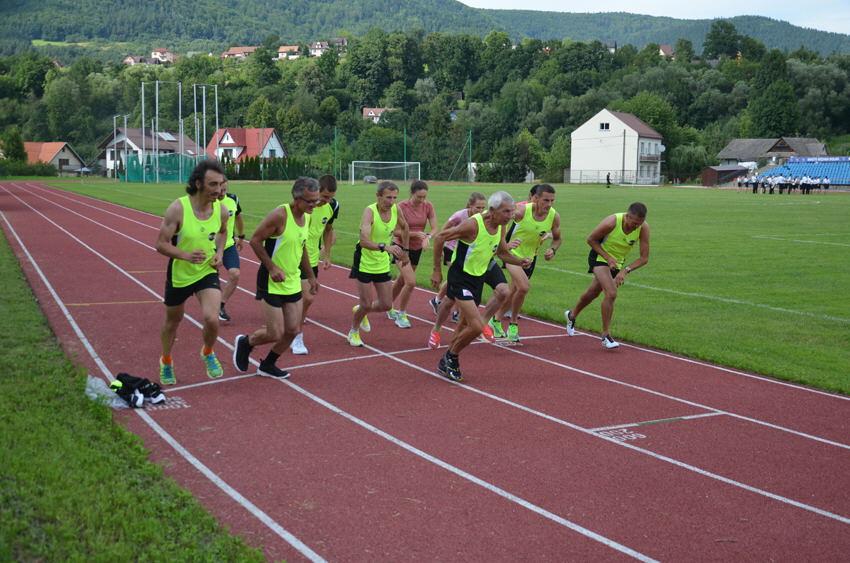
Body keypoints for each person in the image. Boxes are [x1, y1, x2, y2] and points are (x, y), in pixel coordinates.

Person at [430, 191, 532, 381]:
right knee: (477, 326)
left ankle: (448, 358)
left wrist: (520, 262)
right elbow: (439, 237)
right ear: (492, 211)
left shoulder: (501, 225)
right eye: (506, 211)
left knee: (464, 325)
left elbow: (502, 252)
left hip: (477, 278)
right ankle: (450, 357)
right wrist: (437, 269)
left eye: (512, 211)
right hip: (460, 277)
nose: (510, 215)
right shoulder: (473, 225)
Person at [232, 178, 320, 378]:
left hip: (292, 280)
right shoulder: (280, 215)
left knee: (293, 330)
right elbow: (255, 240)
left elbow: (302, 247)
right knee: (275, 333)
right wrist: (272, 267)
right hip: (271, 281)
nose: (314, 205)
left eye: (316, 200)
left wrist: (311, 277)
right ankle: (246, 342)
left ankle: (267, 365)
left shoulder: (307, 217)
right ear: (296, 199)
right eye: (310, 201)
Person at [155, 160, 229, 385]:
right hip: (180, 273)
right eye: (213, 184)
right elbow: (161, 244)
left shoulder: (221, 210)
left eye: (221, 184)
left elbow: (223, 233)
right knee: (173, 321)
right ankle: (166, 360)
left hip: (206, 271)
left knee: (212, 318)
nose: (218, 190)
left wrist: (219, 253)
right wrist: (185, 255)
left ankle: (208, 352)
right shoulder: (178, 208)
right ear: (198, 184)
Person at [564, 202, 650, 349]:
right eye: (634, 223)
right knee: (611, 293)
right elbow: (591, 239)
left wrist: (625, 270)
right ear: (627, 216)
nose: (636, 226)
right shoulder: (612, 222)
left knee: (593, 293)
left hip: (617, 263)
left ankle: (571, 315)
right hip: (599, 256)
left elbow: (644, 258)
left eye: (639, 223)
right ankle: (606, 335)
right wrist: (607, 257)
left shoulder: (643, 228)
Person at [492, 184, 562, 343]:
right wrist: (504, 244)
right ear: (536, 198)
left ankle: (495, 320)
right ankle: (513, 324)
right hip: (512, 255)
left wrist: (552, 249)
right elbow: (500, 221)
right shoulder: (522, 211)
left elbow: (558, 238)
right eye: (546, 200)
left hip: (530, 258)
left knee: (513, 291)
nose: (549, 204)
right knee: (523, 287)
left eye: (552, 200)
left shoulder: (554, 216)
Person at [348, 181, 410, 347]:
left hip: (381, 262)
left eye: (395, 197)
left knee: (386, 304)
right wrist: (386, 247)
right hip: (364, 261)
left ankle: (360, 310)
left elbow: (405, 227)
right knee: (366, 303)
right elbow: (364, 241)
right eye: (388, 197)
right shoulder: (370, 212)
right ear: (378, 196)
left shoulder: (396, 209)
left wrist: (405, 251)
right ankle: (353, 331)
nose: (392, 201)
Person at [291, 174, 339, 355]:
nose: (327, 200)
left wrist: (327, 255)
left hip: (311, 259)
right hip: (293, 258)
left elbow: (328, 230)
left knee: (307, 298)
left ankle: (295, 329)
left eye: (331, 197)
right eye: (324, 196)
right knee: (301, 298)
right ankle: (296, 333)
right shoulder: (304, 208)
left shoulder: (333, 206)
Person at [387, 180, 437, 329]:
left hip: (416, 249)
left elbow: (435, 227)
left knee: (402, 280)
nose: (422, 200)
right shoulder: (401, 207)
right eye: (419, 197)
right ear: (411, 193)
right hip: (400, 247)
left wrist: (427, 237)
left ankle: (387, 305)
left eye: (424, 197)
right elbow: (395, 231)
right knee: (411, 282)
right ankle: (401, 314)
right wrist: (415, 234)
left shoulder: (428, 206)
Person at [217, 180, 245, 322]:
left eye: (224, 189)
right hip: (210, 246)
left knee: (235, 274)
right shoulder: (207, 201)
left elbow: (238, 216)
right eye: (220, 190)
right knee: (209, 281)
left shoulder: (233, 199)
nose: (222, 192)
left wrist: (241, 236)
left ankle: (220, 305)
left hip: (228, 245)